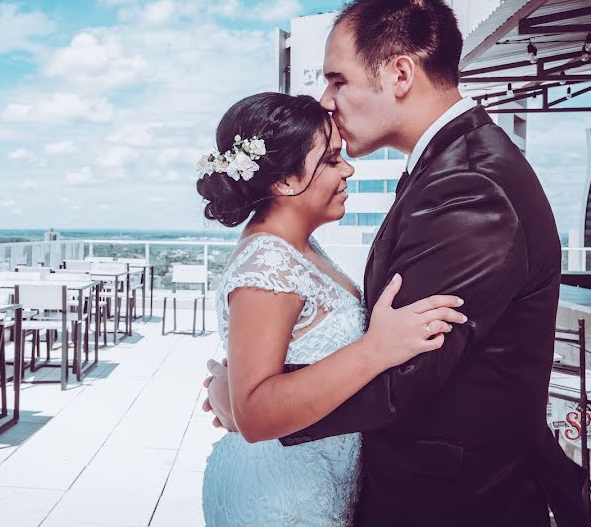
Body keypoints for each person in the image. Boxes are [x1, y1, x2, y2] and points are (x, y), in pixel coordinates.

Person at [204, 0, 589, 526]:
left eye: (338, 79)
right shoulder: (449, 166)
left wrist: (247, 405)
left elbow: (407, 370)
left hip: (451, 499)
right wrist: (253, 399)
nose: (326, 101)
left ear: (400, 74)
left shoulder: (470, 185)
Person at [196, 91, 467, 526]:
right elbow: (255, 412)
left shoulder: (299, 247)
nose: (348, 169)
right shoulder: (268, 262)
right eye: (331, 159)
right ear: (284, 181)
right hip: (279, 501)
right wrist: (378, 348)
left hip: (314, 485)